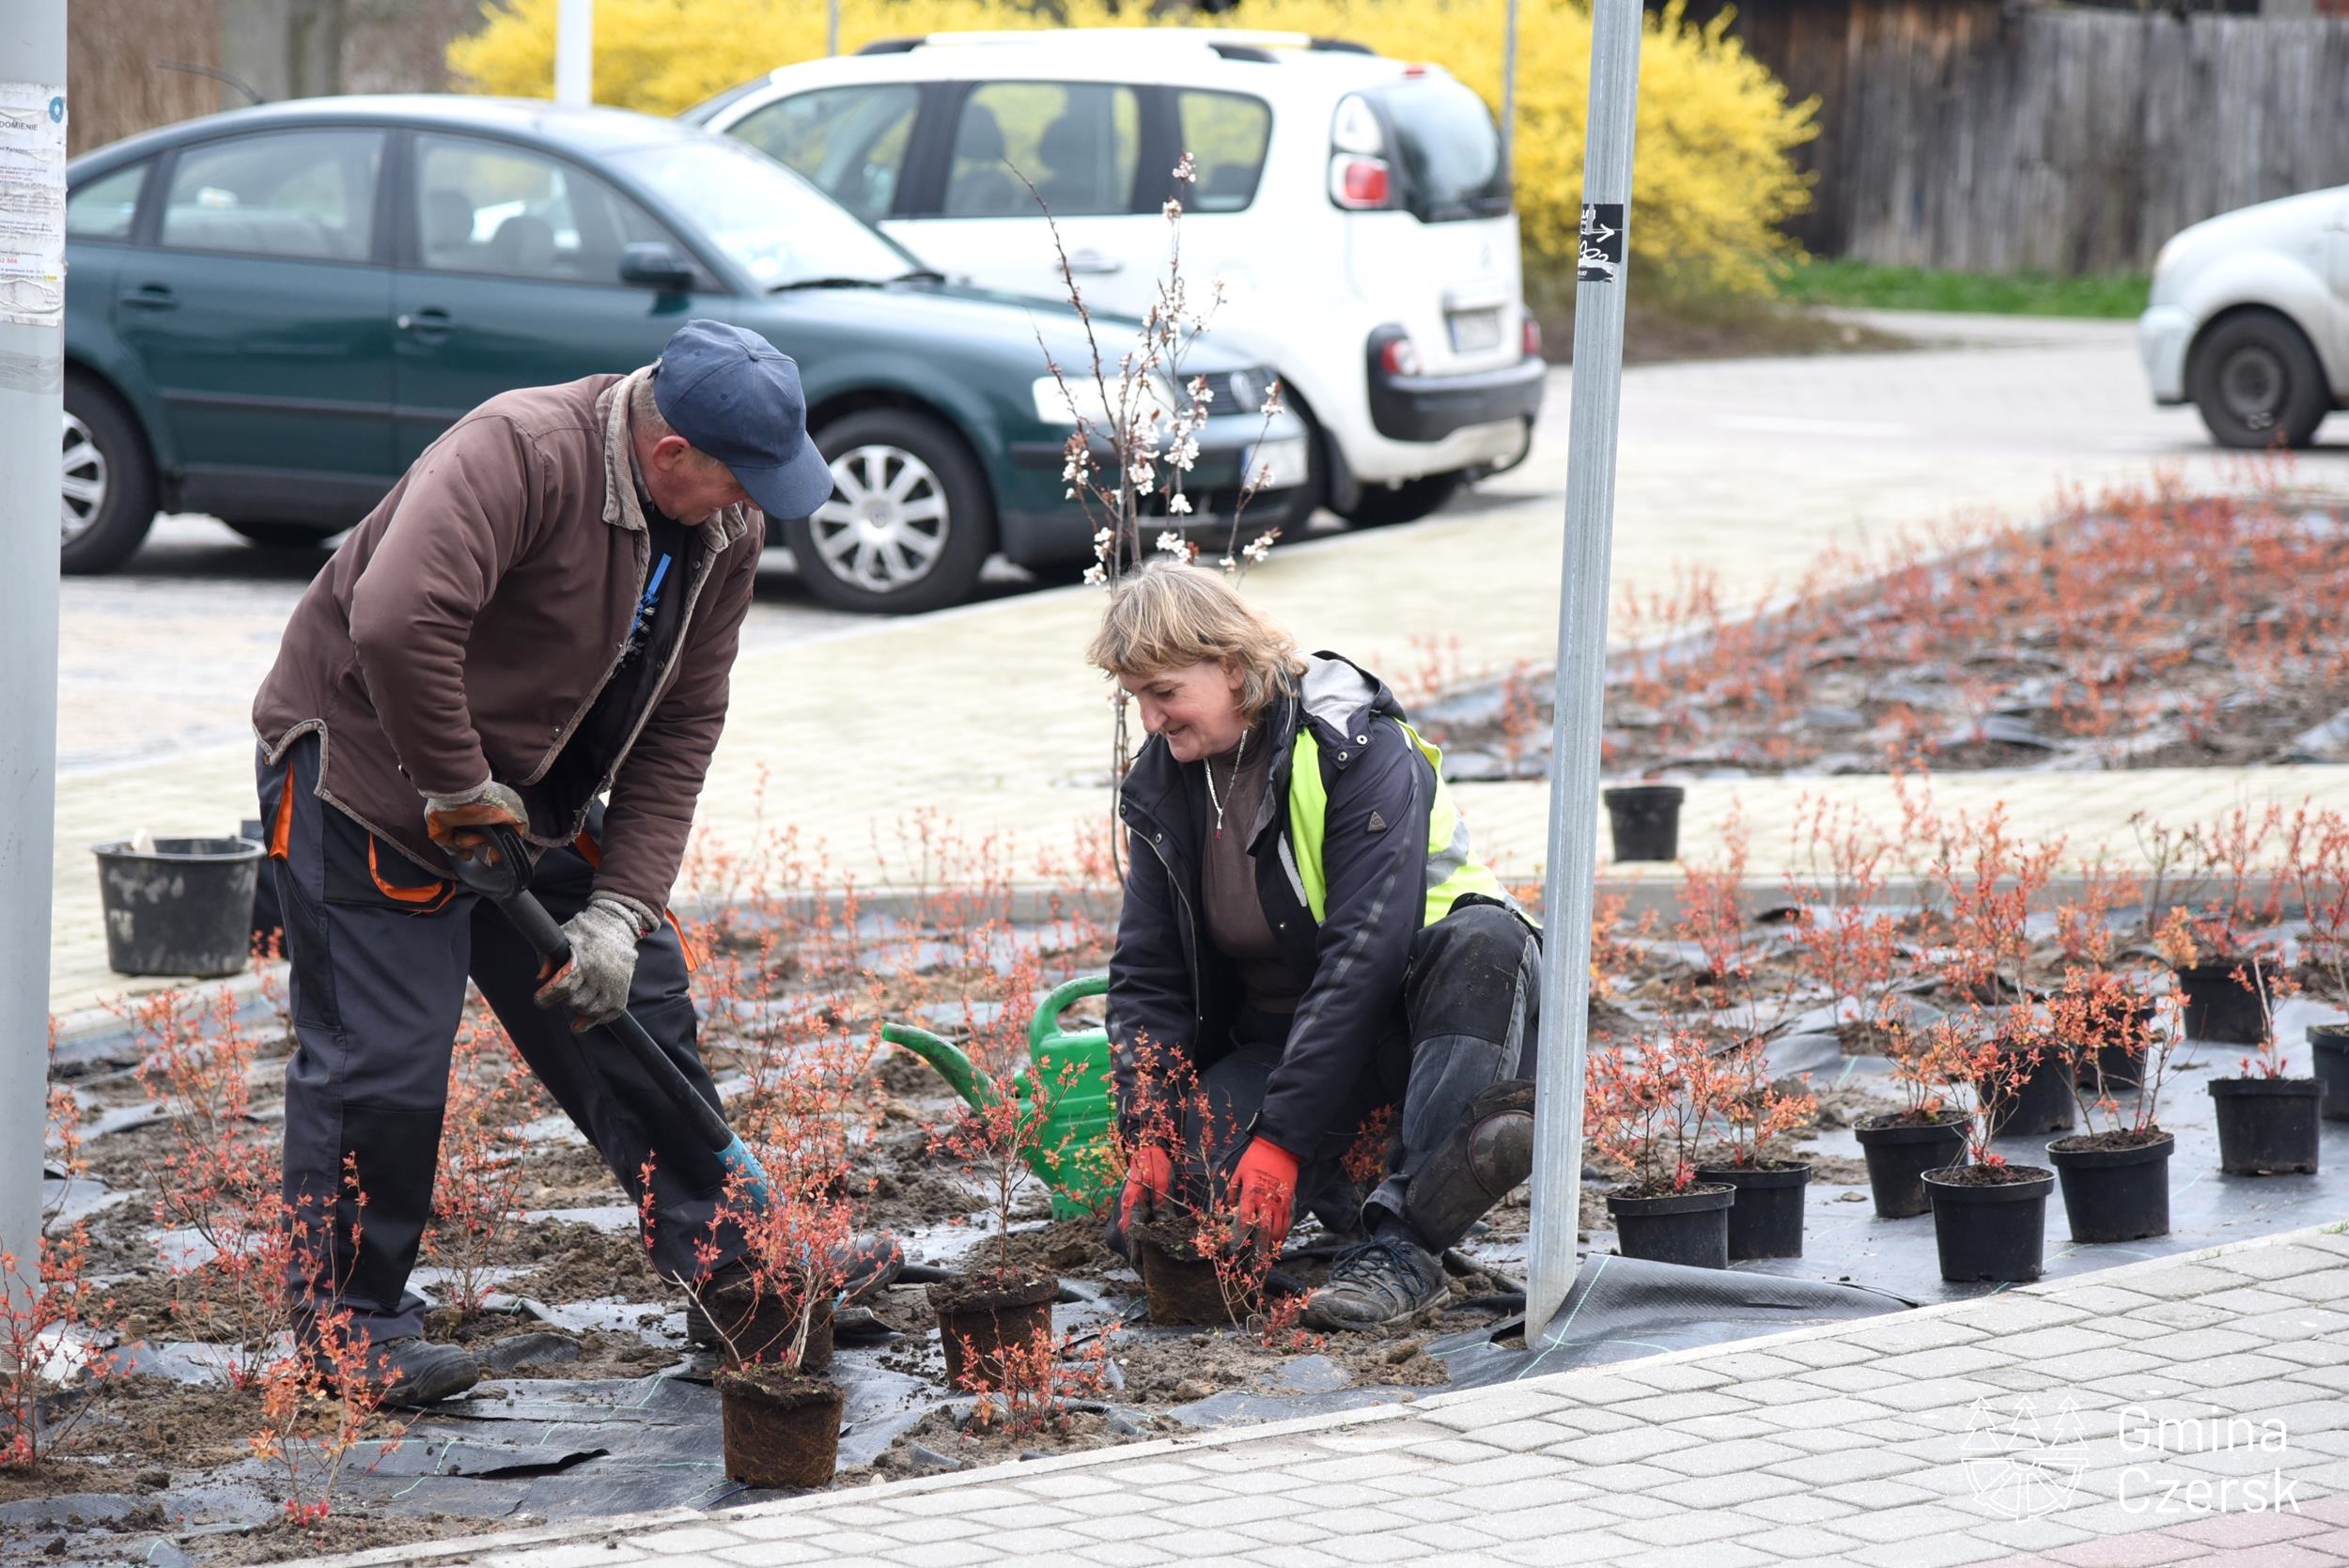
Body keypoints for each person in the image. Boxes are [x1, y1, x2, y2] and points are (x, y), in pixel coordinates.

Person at [251, 319, 894, 1405]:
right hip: (364, 772)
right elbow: (397, 619)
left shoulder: (721, 534)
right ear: (668, 452)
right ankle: (351, 1326)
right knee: (384, 1063)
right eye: (740, 480)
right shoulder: (520, 450)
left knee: (634, 997)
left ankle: (735, 1267)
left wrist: (623, 905)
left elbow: (684, 722)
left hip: (530, 794)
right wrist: (455, 787)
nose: (753, 507)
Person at [1092, 560, 1542, 1330]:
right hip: (1298, 1041)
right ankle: (1350, 1179)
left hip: (1423, 1022)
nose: (1152, 720)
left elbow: (1364, 957)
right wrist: (1151, 1127)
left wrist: (1282, 1137)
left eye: (1164, 693)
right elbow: (1148, 973)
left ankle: (1403, 1245)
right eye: (1137, 699)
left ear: (1232, 667)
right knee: (1182, 1214)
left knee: (1485, 939)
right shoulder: (1167, 781)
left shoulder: (1353, 748)